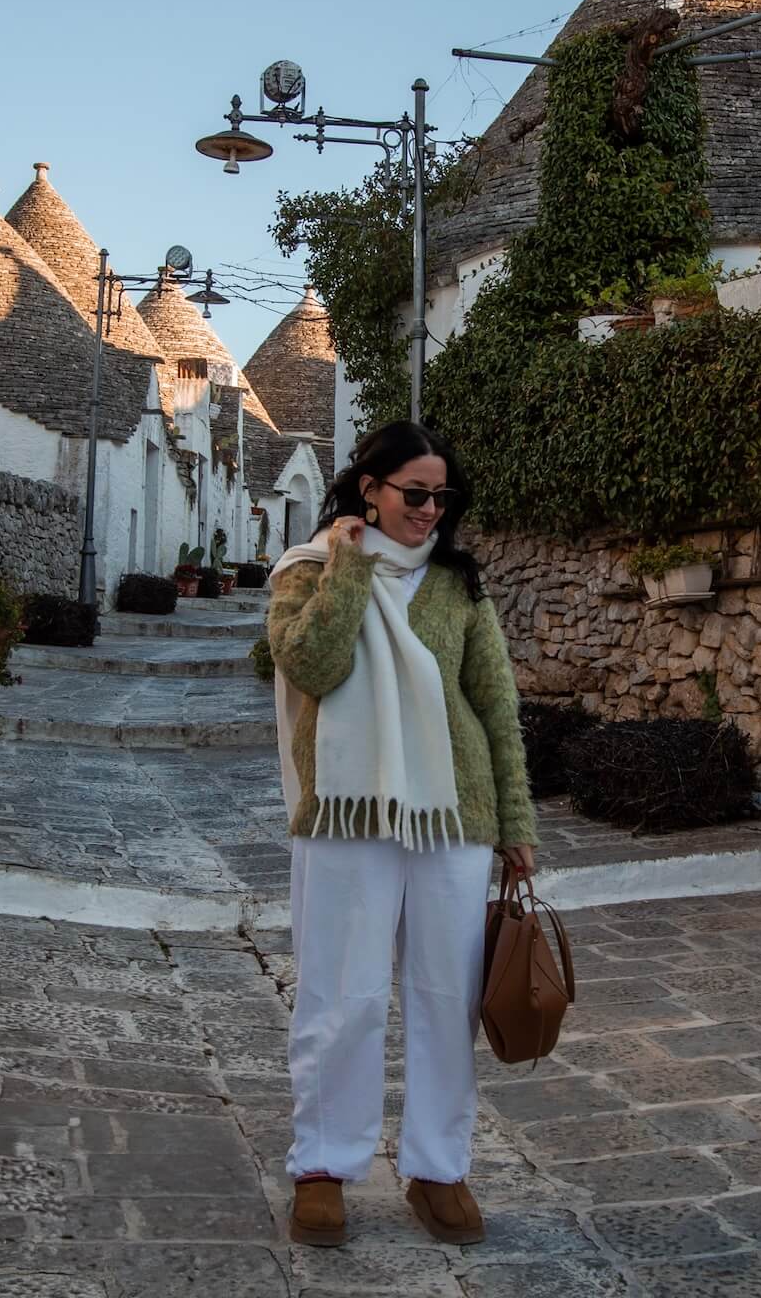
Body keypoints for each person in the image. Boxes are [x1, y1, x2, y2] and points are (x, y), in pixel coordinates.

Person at [267, 420, 537, 1250]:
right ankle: (323, 1167)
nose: (428, 510)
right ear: (370, 488)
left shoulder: (460, 585)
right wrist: (349, 563)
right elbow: (310, 664)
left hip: (454, 816)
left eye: (440, 496)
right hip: (346, 814)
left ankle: (437, 1168)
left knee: (444, 999)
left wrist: (517, 823)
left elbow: (495, 706)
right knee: (339, 995)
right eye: (413, 493)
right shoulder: (307, 572)